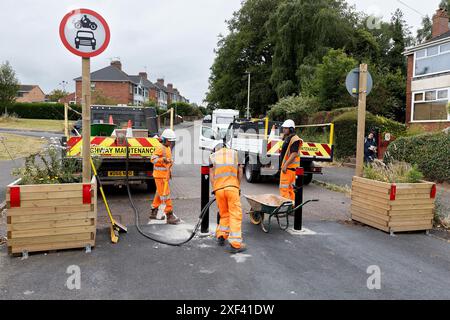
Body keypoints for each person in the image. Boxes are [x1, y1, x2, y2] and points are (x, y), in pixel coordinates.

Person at [209, 144, 246, 254]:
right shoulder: (235, 153)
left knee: (224, 213)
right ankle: (235, 244)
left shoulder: (213, 156)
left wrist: (215, 188)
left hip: (219, 189)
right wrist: (237, 186)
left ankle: (221, 235)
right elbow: (240, 170)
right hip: (231, 188)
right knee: (235, 214)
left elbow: (211, 174)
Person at [149, 129, 181, 225]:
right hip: (160, 176)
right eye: (169, 140)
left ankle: (154, 211)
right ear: (164, 139)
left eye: (171, 141)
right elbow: (153, 159)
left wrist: (169, 163)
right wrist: (163, 160)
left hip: (164, 176)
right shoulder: (160, 147)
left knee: (159, 193)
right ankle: (169, 214)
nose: (170, 142)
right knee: (165, 195)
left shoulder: (167, 147)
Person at [279, 119, 303, 201]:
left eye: (286, 128)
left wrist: (285, 165)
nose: (284, 129)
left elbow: (294, 153)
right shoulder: (289, 138)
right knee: (290, 190)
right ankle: (292, 207)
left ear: (291, 129)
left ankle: (285, 208)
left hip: (288, 169)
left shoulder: (294, 139)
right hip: (290, 169)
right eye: (283, 128)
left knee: (284, 189)